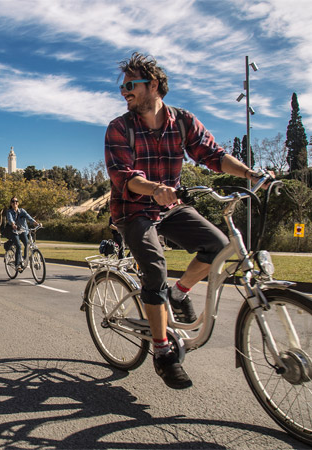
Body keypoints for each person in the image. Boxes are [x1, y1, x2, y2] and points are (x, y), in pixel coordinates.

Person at [105, 52, 265, 390]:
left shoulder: (183, 122)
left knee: (219, 246)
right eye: (122, 88)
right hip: (134, 209)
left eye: (130, 85)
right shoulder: (120, 128)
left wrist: (250, 174)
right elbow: (125, 177)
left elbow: (214, 156)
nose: (124, 92)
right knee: (155, 269)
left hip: (170, 206)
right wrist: (155, 188)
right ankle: (162, 352)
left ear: (153, 86)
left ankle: (178, 294)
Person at [6, 197, 40, 268]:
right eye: (13, 201)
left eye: (16, 201)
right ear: (11, 203)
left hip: (23, 230)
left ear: (18, 203)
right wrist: (13, 224)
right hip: (14, 232)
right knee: (18, 246)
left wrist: (36, 223)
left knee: (27, 244)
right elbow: (10, 219)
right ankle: (17, 264)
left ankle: (24, 259)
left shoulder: (22, 211)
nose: (15, 203)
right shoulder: (9, 211)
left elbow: (29, 218)